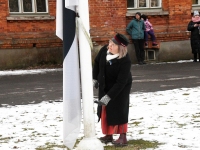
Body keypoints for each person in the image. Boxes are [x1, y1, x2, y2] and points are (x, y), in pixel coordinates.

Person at [93, 33, 132, 147]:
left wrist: (108, 96)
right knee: (105, 109)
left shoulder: (125, 60)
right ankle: (108, 134)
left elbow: (121, 82)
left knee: (119, 109)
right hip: (105, 83)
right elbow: (96, 63)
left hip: (120, 87)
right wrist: (95, 78)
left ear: (120, 48)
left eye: (113, 45)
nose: (109, 46)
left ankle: (122, 136)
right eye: (109, 43)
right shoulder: (104, 51)